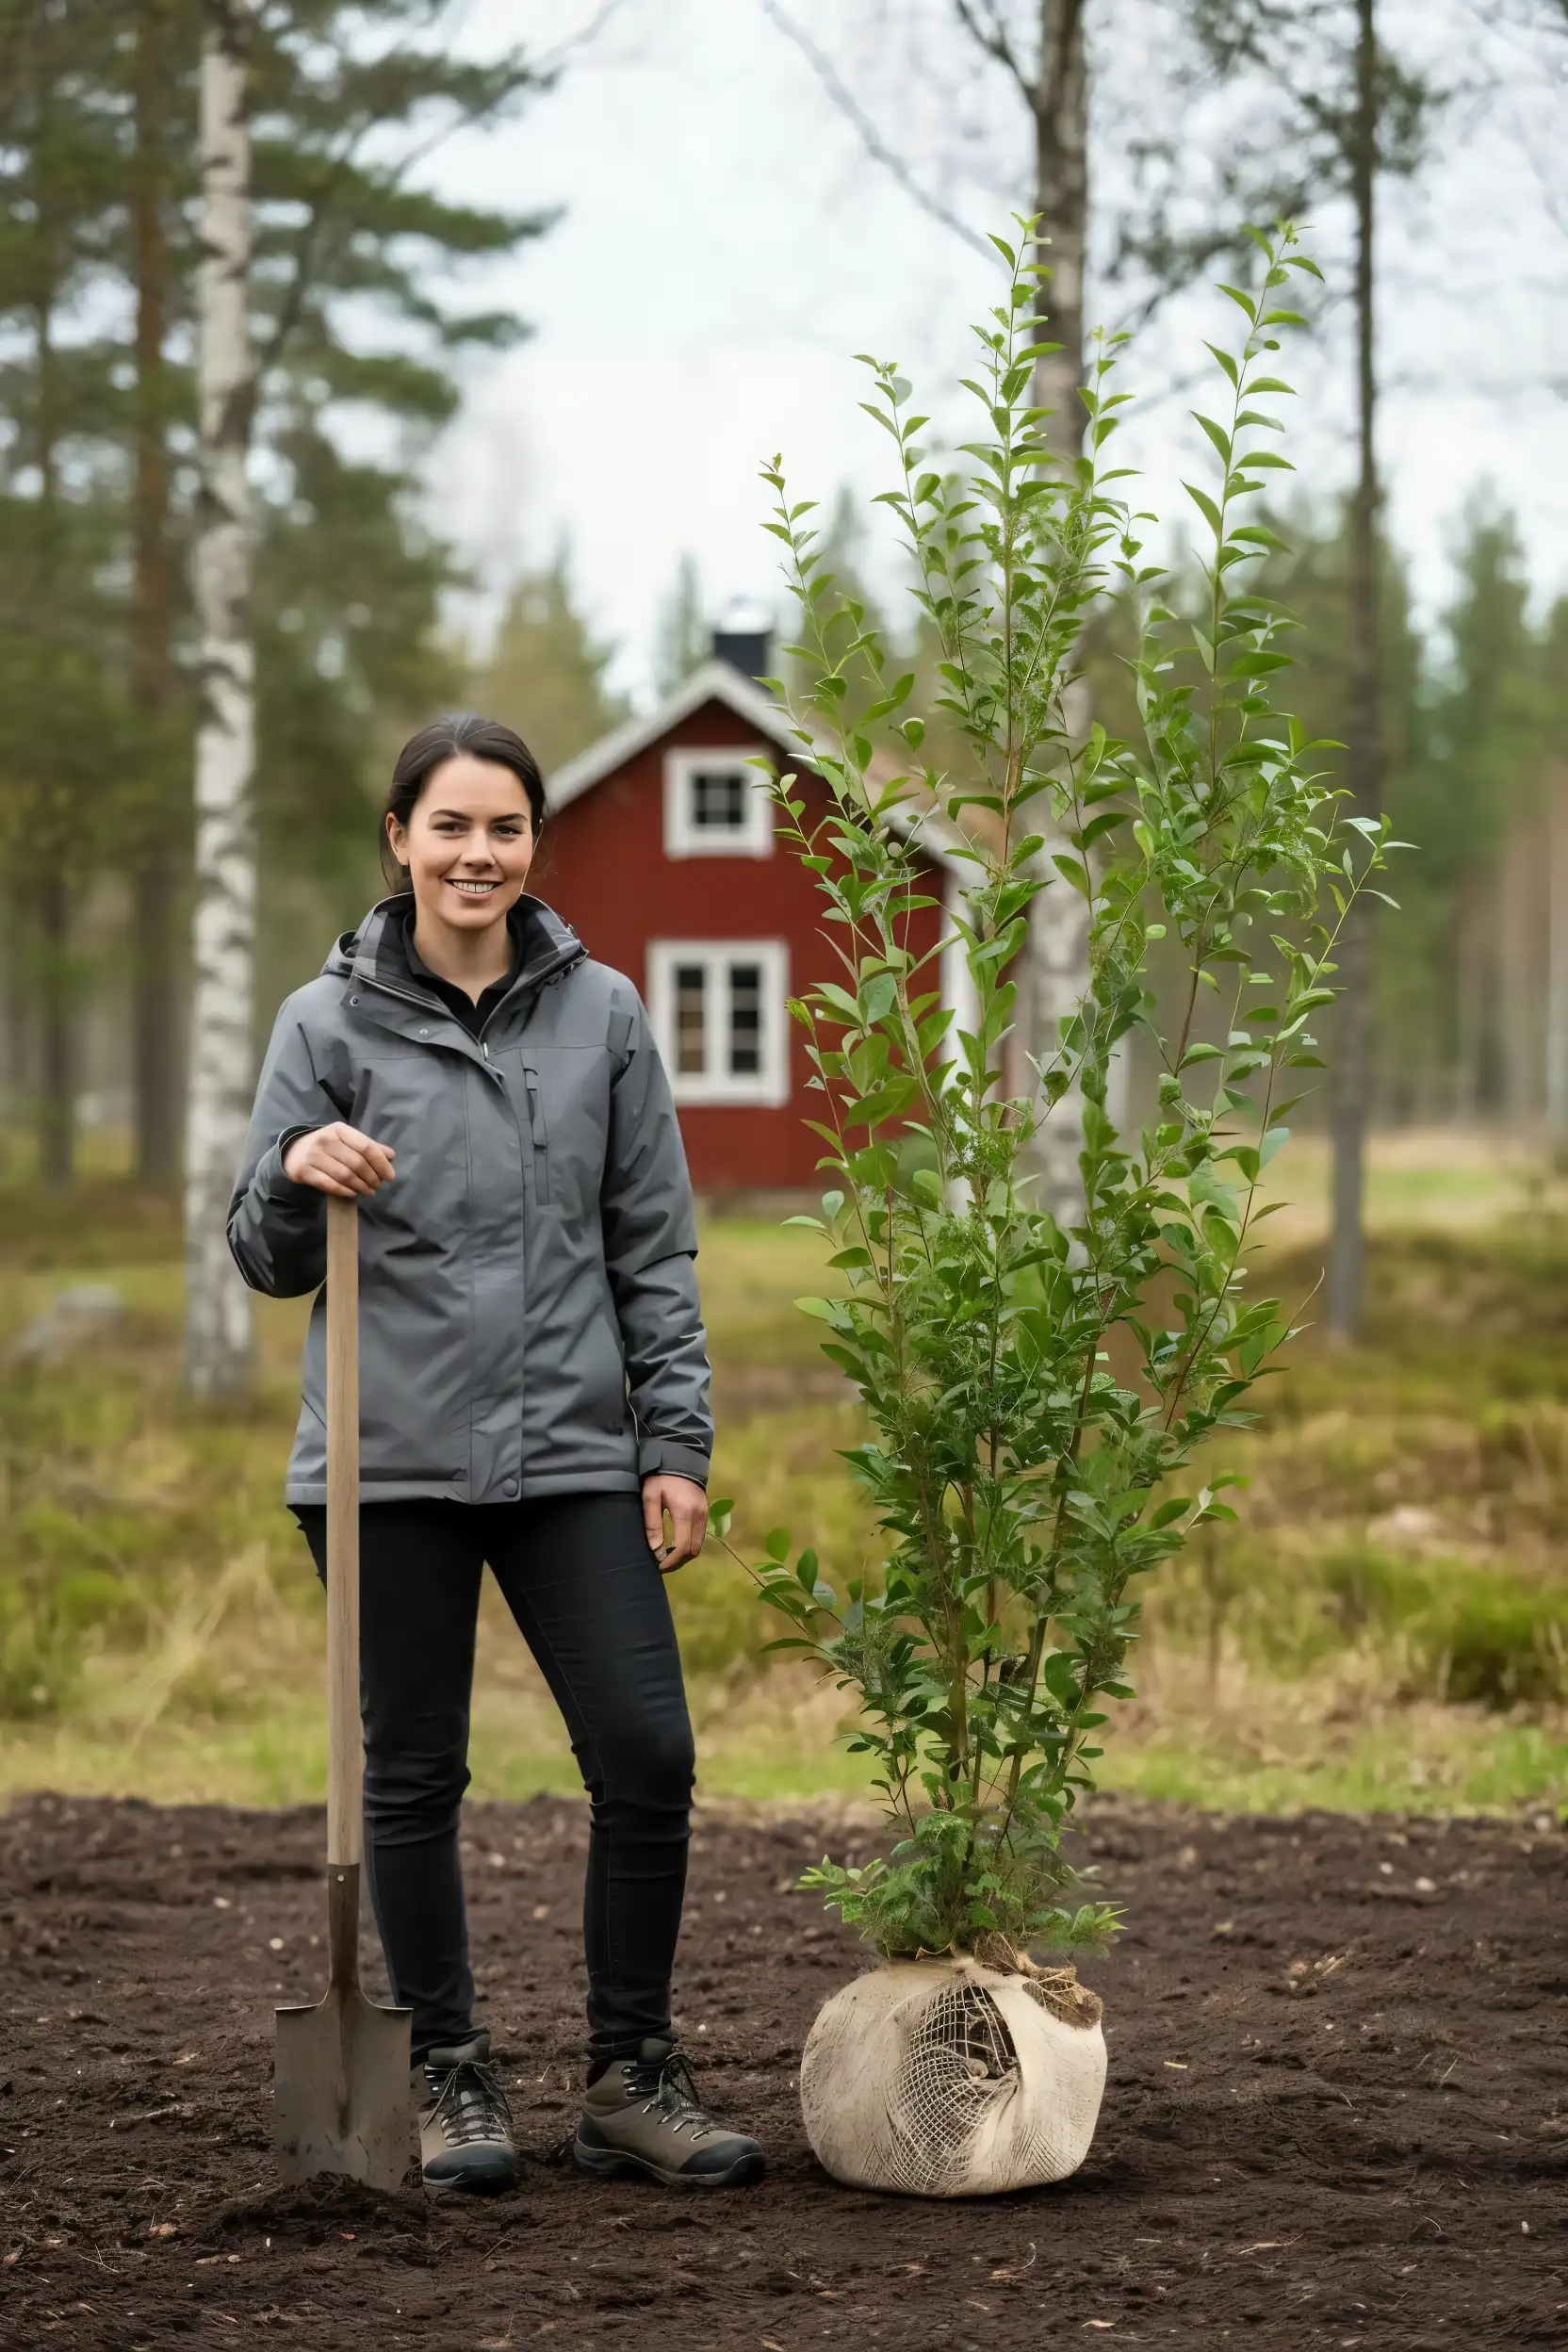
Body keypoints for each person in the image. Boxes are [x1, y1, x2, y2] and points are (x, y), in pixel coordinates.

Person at [228, 712, 764, 2195]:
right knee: (414, 1773)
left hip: (578, 1450)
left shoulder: (604, 1016)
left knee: (649, 1753)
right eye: (450, 826)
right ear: (398, 840)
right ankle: (454, 2073)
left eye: (506, 828)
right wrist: (292, 1173)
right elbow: (262, 1257)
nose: (479, 854)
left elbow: (651, 1245)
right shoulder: (323, 1026)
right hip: (385, 1463)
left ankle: (628, 2076)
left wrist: (676, 1441)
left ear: (535, 845)